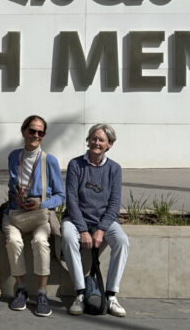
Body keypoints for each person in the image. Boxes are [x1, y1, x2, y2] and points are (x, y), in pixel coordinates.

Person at [62, 124, 129, 318]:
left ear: (109, 145)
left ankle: (111, 295)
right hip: (76, 219)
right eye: (93, 138)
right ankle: (81, 294)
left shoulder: (114, 169)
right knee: (67, 236)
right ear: (88, 140)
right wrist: (83, 230)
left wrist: (100, 230)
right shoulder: (76, 165)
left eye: (101, 140)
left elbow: (114, 204)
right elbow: (72, 200)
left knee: (123, 241)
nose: (96, 143)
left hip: (103, 221)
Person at [3, 115, 65, 317]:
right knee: (13, 241)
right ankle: (20, 288)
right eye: (32, 130)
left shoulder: (49, 160)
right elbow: (13, 187)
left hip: (39, 214)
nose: (36, 135)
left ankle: (41, 293)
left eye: (40, 132)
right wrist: (16, 198)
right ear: (23, 132)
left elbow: (61, 195)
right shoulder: (14, 157)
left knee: (40, 242)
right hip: (16, 213)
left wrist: (42, 203)